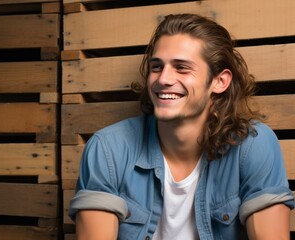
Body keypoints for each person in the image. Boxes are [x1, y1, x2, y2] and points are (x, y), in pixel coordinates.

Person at [69, 14, 294, 240]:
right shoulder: (108, 150)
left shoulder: (253, 145)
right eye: (157, 67)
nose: (163, 79)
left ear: (220, 81)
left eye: (182, 68)